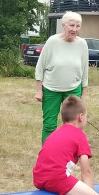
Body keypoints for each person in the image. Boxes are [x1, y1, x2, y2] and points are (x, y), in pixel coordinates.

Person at [35, 11, 89, 143]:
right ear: (63, 25)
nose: (74, 29)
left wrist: (84, 94)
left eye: (78, 26)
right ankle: (48, 157)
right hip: (51, 89)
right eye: (71, 25)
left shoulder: (82, 44)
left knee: (74, 125)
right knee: (49, 125)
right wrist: (39, 89)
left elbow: (84, 70)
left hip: (73, 89)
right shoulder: (52, 42)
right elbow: (40, 66)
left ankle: (69, 156)